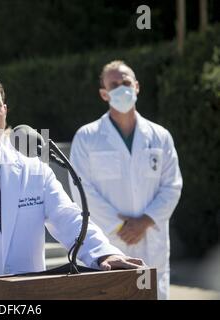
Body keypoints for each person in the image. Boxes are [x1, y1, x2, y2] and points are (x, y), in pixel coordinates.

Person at [0, 72, 144, 286]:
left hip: (28, 299)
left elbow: (69, 218)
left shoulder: (34, 170)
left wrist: (104, 253)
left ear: (5, 110)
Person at [69, 60, 183, 299]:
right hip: (108, 242)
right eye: (114, 84)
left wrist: (144, 221)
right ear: (104, 94)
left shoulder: (160, 136)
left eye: (126, 82)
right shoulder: (87, 137)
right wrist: (119, 226)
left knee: (153, 293)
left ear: (137, 86)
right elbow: (81, 190)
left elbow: (172, 185)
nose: (122, 88)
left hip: (152, 238)